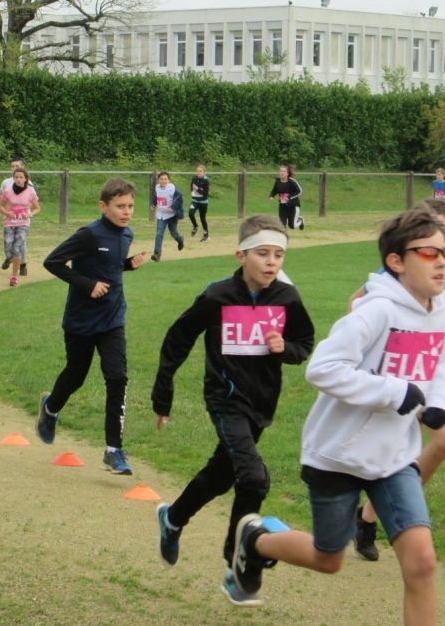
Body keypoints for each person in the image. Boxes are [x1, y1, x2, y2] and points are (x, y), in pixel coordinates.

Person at [228, 205, 445, 623]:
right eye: (428, 253)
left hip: (394, 457)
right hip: (338, 456)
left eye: (444, 253)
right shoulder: (376, 311)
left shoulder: (444, 315)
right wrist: (394, 391)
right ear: (396, 261)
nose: (441, 261)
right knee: (328, 557)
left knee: (422, 562)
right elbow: (322, 369)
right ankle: (256, 539)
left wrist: (439, 403)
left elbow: (437, 365)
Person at [150, 215, 315, 606]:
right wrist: (163, 394)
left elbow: (304, 342)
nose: (271, 262)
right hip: (225, 400)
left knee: (222, 475)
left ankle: (172, 518)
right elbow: (177, 338)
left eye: (278, 254)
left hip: (261, 404)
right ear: (241, 254)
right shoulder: (217, 296)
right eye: (262, 254)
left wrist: (285, 349)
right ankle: (236, 568)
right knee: (254, 479)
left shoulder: (287, 298)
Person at [348, 198, 445, 562]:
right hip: (388, 377)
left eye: (441, 237)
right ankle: (370, 514)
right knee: (393, 449)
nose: (436, 251)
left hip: (429, 378)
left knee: (443, 442)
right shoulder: (398, 274)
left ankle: (368, 516)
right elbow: (354, 305)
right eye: (427, 242)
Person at [36, 177, 147, 475]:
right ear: (103, 206)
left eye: (131, 206)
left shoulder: (126, 234)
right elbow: (53, 262)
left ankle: (114, 450)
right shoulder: (89, 235)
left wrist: (127, 265)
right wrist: (87, 285)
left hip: (113, 319)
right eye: (120, 206)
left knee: (117, 377)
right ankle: (50, 408)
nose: (126, 212)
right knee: (76, 375)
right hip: (81, 320)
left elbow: (110, 266)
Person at [0, 167, 40, 287]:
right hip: (10, 222)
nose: (18, 179)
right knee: (8, 247)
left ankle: (14, 277)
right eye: (16, 177)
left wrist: (29, 214)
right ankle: (9, 259)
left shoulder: (30, 191)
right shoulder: (8, 191)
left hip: (23, 224)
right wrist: (7, 213)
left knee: (17, 248)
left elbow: (37, 208)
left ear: (25, 179)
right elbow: (1, 206)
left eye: (21, 177)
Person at [0, 158, 32, 276]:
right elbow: (1, 198)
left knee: (21, 243)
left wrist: (26, 213)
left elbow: (32, 200)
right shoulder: (6, 183)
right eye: (12, 166)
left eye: (17, 166)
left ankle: (23, 265)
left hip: (22, 219)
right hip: (9, 218)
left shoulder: (28, 184)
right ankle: (10, 258)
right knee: (9, 242)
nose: (14, 168)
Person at [150, 170, 185, 262]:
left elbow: (180, 198)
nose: (163, 181)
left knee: (174, 233)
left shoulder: (172, 189)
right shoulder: (157, 187)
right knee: (159, 234)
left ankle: (180, 239)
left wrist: (173, 207)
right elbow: (155, 196)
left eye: (165, 179)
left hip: (171, 216)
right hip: (161, 215)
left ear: (168, 180)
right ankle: (157, 254)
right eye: (161, 179)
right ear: (158, 180)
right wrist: (153, 204)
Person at [268, 164, 302, 232]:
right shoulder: (277, 181)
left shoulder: (291, 181)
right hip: (282, 206)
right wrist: (271, 196)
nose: (282, 173)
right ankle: (284, 237)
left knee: (292, 226)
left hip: (293, 205)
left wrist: (289, 197)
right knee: (282, 224)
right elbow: (274, 190)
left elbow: (299, 191)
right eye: (280, 171)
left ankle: (300, 221)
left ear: (287, 173)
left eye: (284, 171)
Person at [188, 164, 211, 242]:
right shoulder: (194, 178)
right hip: (195, 201)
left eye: (200, 171)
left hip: (203, 202)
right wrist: (192, 192)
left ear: (204, 172)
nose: (199, 172)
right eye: (197, 171)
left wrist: (197, 189)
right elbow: (191, 187)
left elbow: (205, 193)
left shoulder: (206, 181)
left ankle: (206, 235)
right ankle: (195, 226)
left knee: (202, 218)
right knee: (190, 213)